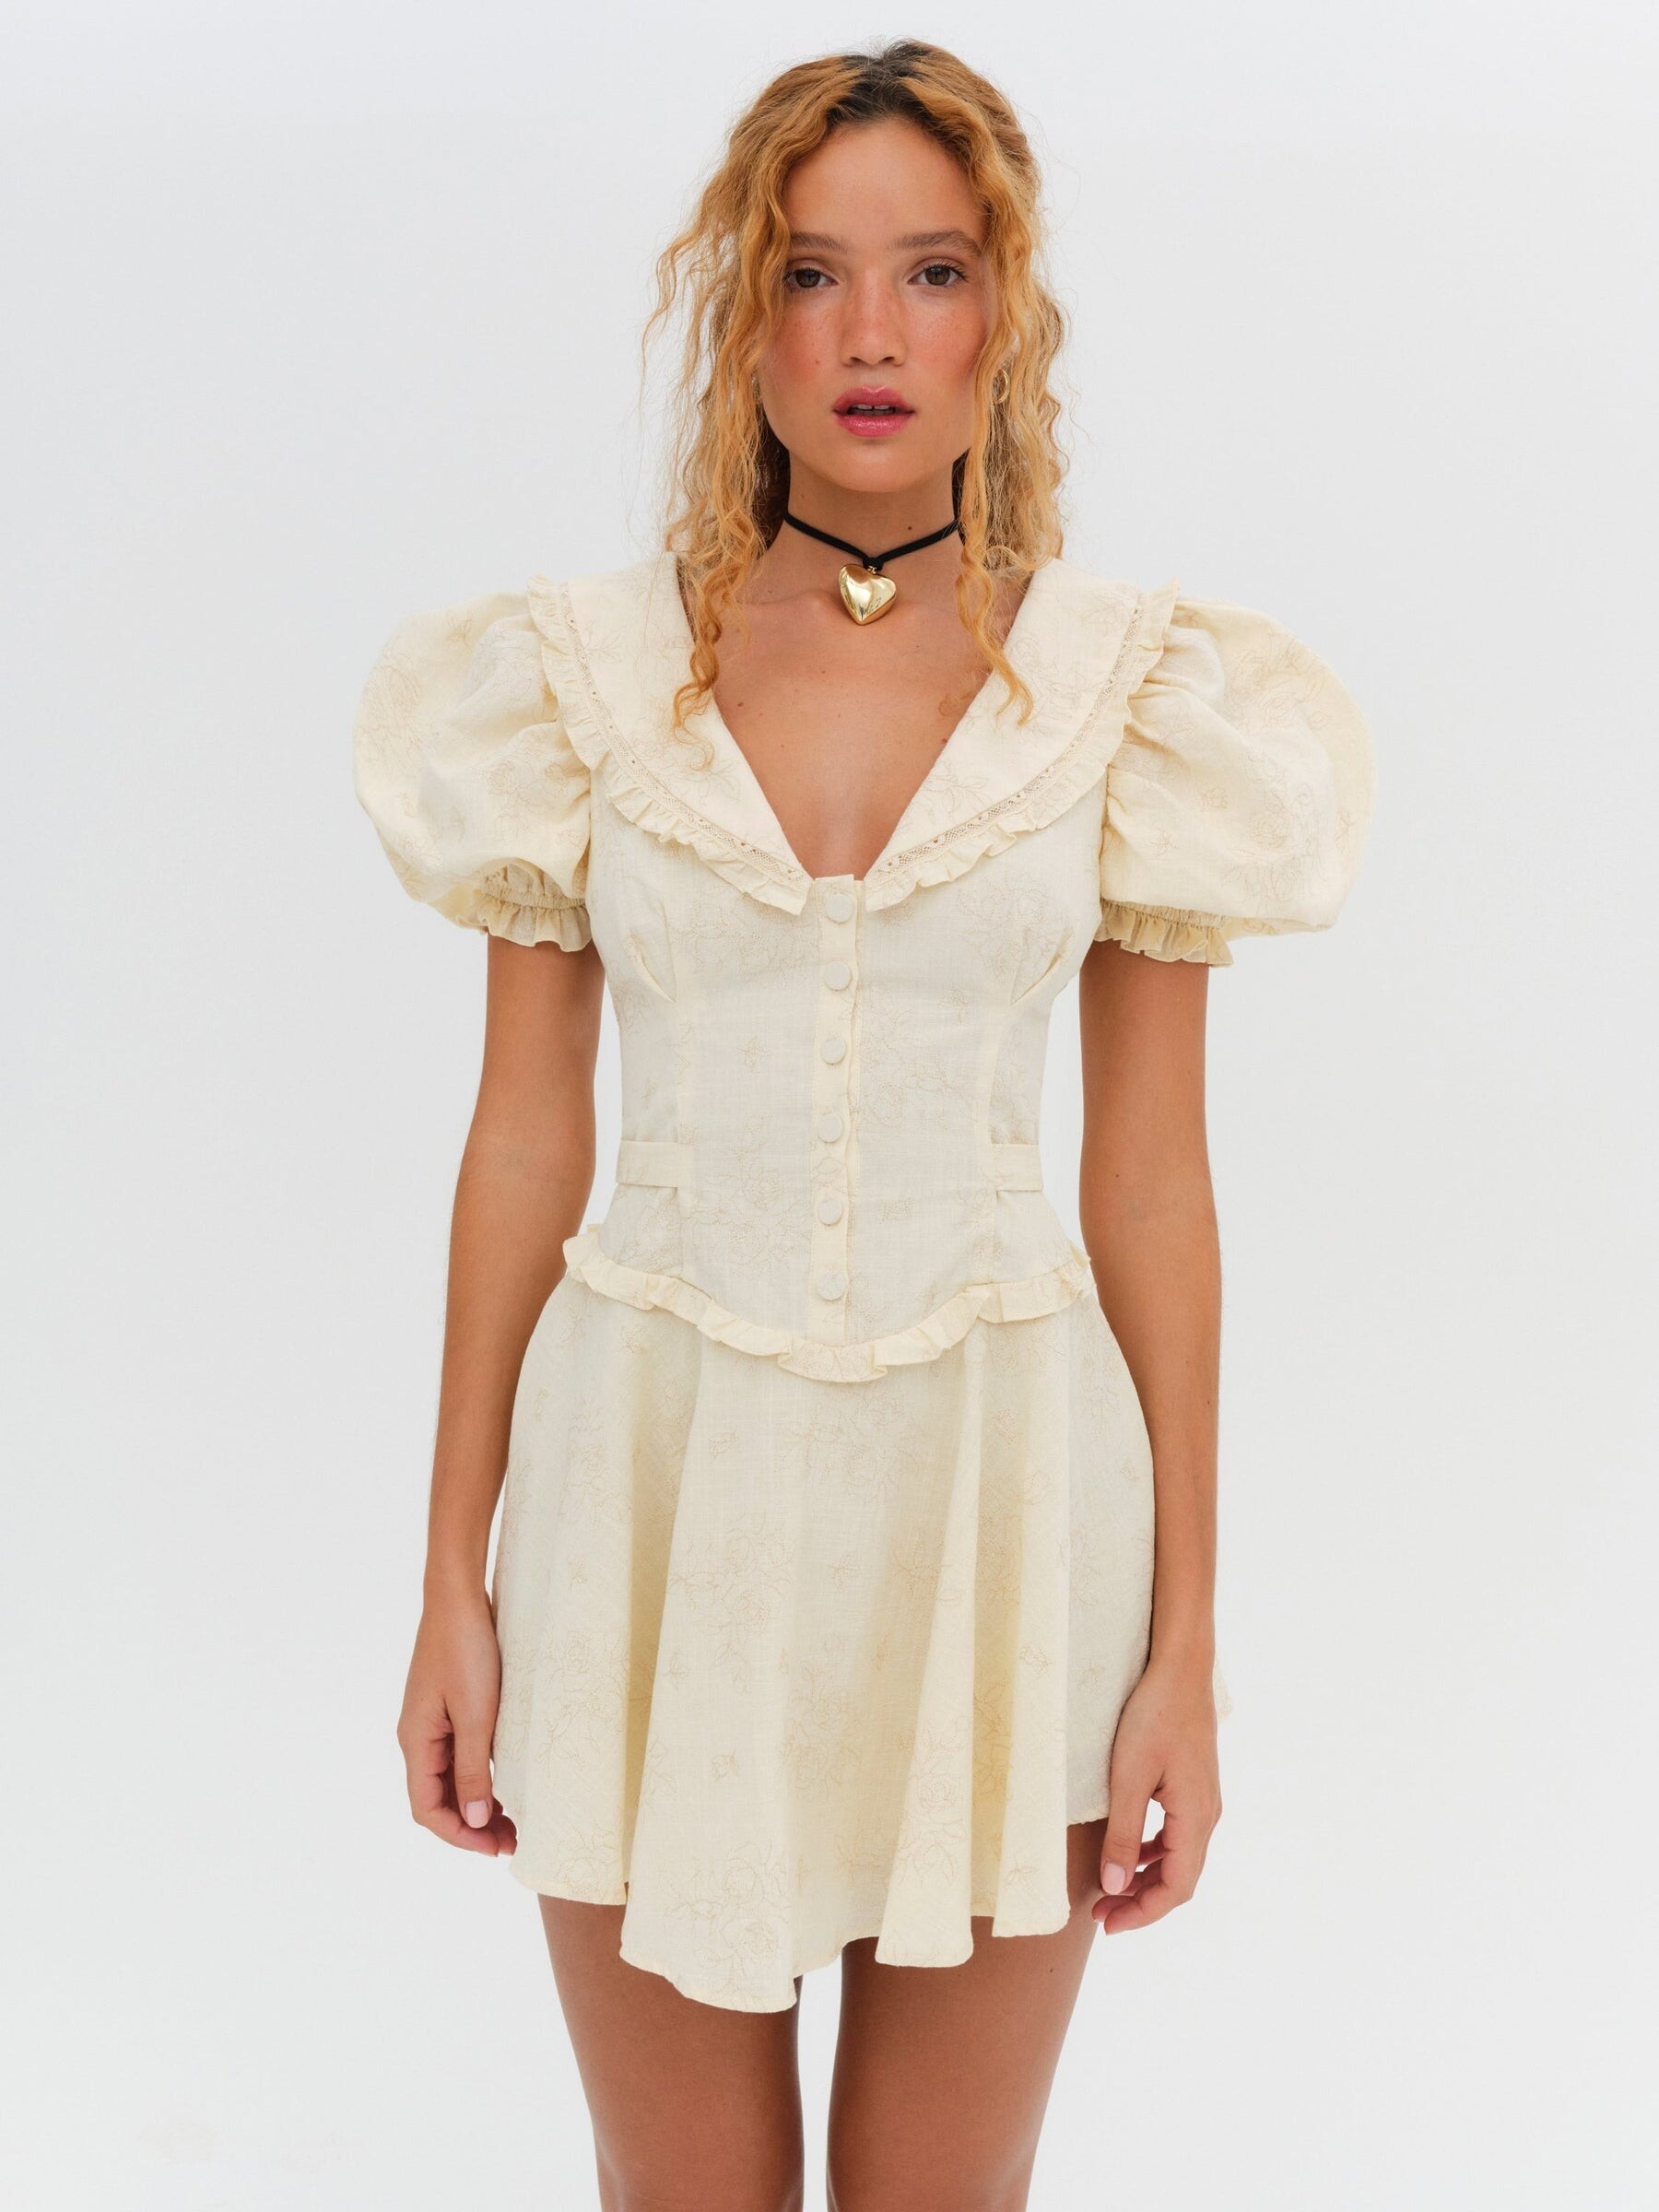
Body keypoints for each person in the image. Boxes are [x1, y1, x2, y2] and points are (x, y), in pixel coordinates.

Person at [350, 38, 1374, 2212]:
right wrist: (452, 1573)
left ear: (1008, 310)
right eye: (812, 275)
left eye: (932, 270)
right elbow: (522, 1141)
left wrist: (1189, 1641)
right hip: (645, 1505)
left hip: (1009, 1512)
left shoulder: (1125, 687)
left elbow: (1152, 1183)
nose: (873, 334)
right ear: (745, 321)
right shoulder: (581, 676)